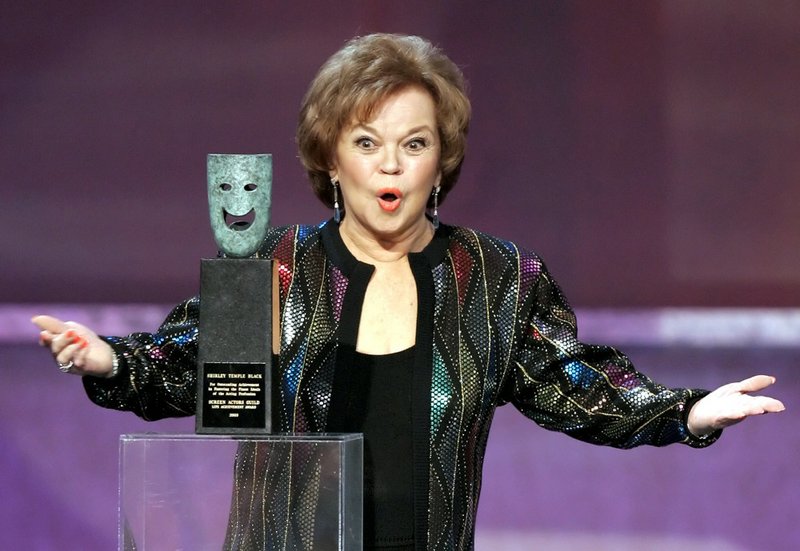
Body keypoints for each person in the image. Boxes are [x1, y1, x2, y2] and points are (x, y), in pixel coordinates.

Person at [33, 33, 784, 550]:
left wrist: (686, 410)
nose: (390, 167)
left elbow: (575, 385)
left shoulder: (496, 279)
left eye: (414, 143)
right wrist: (111, 361)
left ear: (442, 159)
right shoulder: (277, 262)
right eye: (366, 143)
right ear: (331, 158)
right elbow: (192, 367)